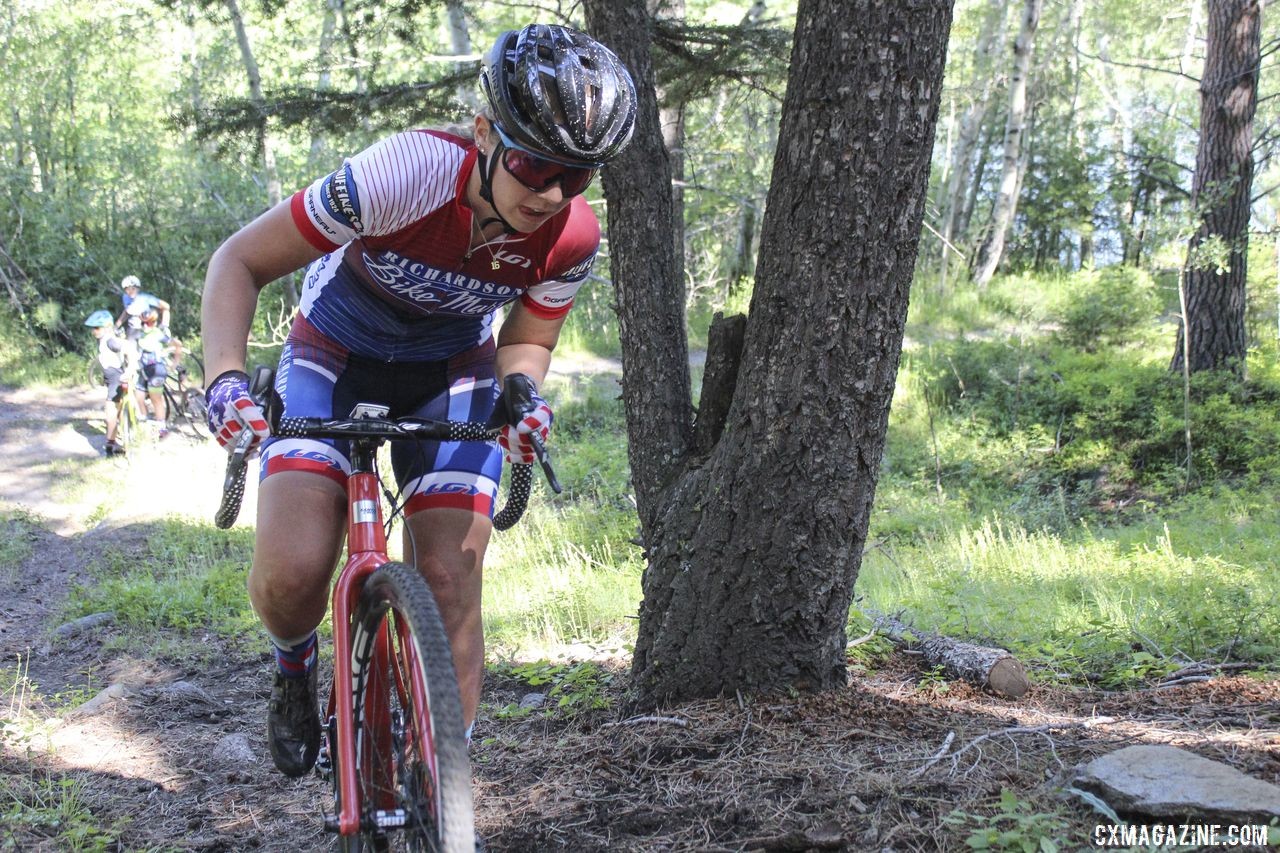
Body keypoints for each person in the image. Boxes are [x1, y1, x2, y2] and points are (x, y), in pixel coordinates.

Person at [201, 23, 636, 778]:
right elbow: (238, 260)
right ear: (483, 133)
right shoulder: (403, 174)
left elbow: (525, 341)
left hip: (451, 371)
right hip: (333, 355)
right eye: (535, 165)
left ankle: (442, 787)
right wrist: (225, 380)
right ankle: (295, 666)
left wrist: (522, 395)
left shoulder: (571, 235)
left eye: (578, 175)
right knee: (294, 574)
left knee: (448, 579)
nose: (552, 193)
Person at [84, 309, 132, 456]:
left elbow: (127, 349)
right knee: (114, 412)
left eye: (97, 328)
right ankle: (113, 442)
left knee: (110, 413)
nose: (94, 331)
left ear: (106, 328)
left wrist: (130, 368)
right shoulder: (105, 340)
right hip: (111, 379)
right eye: (93, 328)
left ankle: (110, 445)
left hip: (116, 381)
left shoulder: (110, 341)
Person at [135, 309, 170, 438]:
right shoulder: (139, 334)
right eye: (143, 323)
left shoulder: (158, 334)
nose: (145, 326)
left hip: (157, 370)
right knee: (139, 397)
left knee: (156, 400)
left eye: (148, 323)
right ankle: (144, 423)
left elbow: (176, 344)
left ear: (154, 323)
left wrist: (175, 362)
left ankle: (162, 428)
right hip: (143, 371)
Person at [117, 275, 171, 341]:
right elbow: (126, 312)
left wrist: (164, 325)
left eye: (133, 288)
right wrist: (117, 325)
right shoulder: (125, 297)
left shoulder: (145, 298)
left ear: (138, 289)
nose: (130, 291)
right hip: (132, 330)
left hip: (146, 329)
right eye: (128, 289)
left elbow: (166, 306)